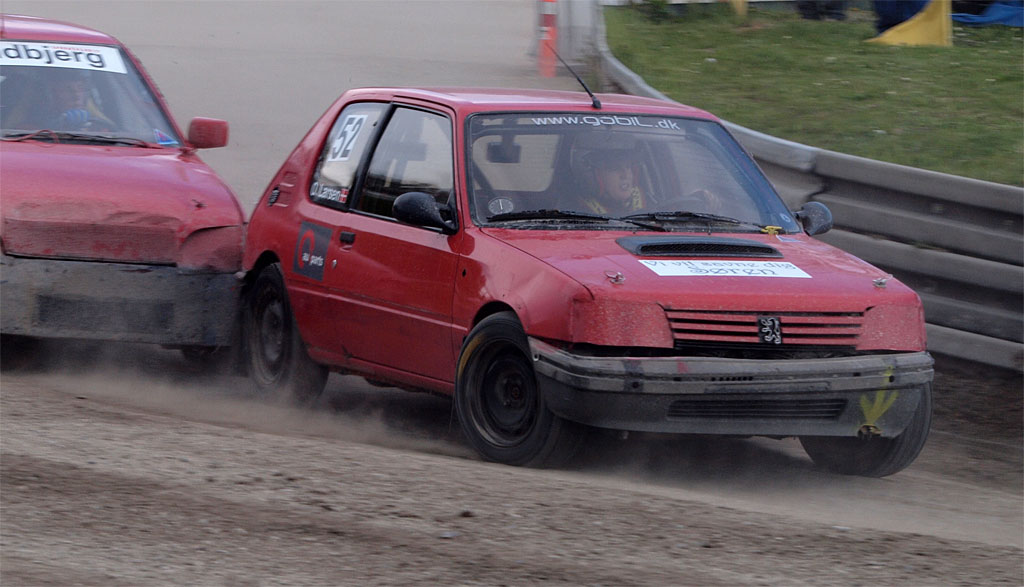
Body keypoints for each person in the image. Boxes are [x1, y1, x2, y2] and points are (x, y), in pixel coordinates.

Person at [575, 148, 646, 216]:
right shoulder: (581, 212)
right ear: (597, 178)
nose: (625, 175)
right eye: (615, 169)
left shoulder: (649, 206)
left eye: (628, 167)